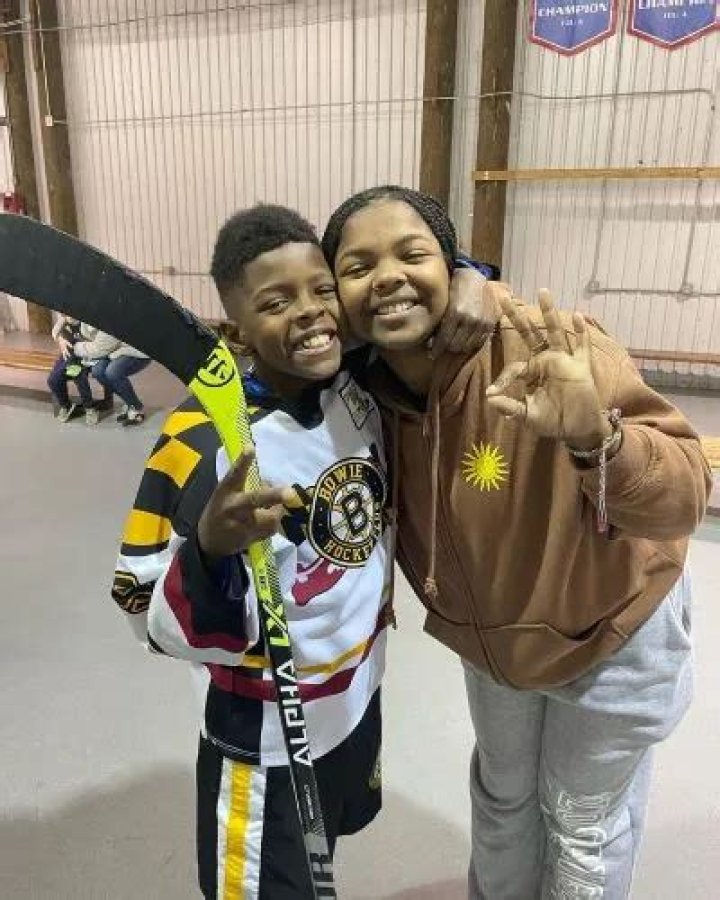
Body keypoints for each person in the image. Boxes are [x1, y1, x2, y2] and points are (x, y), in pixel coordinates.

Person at [321, 185, 712, 900]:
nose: (387, 277)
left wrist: (598, 439)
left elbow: (684, 496)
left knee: (582, 824)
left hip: (611, 632)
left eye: (412, 255)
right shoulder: (355, 392)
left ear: (451, 266)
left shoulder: (545, 345)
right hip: (495, 647)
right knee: (503, 802)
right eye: (358, 266)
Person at [110, 203, 499, 899]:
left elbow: (415, 296)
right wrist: (210, 550)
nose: (312, 313)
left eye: (322, 290)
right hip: (265, 738)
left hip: (355, 696)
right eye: (276, 302)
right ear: (236, 328)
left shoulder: (355, 380)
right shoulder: (202, 441)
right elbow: (142, 604)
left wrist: (472, 276)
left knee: (326, 857)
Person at [48, 315, 112, 424]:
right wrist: (60, 340)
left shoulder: (87, 322)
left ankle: (89, 408)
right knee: (53, 379)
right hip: (69, 354)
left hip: (86, 354)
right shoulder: (64, 319)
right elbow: (54, 332)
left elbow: (96, 343)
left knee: (79, 375)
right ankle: (66, 406)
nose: (68, 316)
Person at [85, 342, 151, 426]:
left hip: (136, 351)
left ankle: (136, 408)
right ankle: (130, 402)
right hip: (112, 349)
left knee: (113, 372)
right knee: (97, 371)